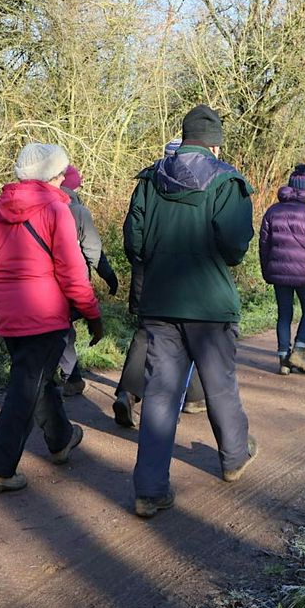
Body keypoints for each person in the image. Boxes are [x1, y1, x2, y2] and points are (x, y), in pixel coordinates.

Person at [124, 105, 258, 518]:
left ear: (183, 138)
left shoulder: (151, 179)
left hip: (160, 301)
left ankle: (149, 490)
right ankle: (234, 457)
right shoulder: (227, 181)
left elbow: (134, 243)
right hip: (210, 305)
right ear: (215, 144)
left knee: (160, 394)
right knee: (219, 385)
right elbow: (235, 248)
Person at [0, 143, 104, 493]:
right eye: (61, 174)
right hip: (44, 316)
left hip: (7, 316)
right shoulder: (57, 210)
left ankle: (61, 439)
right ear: (52, 176)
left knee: (35, 379)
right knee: (25, 388)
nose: (63, 181)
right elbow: (73, 274)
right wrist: (92, 314)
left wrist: (10, 282)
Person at [112, 139, 207, 428]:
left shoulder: (148, 182)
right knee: (192, 328)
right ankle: (193, 396)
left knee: (146, 331)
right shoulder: (200, 183)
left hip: (148, 269)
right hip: (185, 272)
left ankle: (127, 393)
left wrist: (140, 259)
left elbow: (133, 229)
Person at [258, 163, 305, 375]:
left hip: (279, 274)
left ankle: (283, 358)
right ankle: (299, 351)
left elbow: (264, 246)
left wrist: (267, 272)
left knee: (284, 314)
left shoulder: (273, 212)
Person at [56, 164, 119, 398]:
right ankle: (70, 377)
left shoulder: (38, 207)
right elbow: (93, 252)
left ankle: (68, 377)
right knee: (64, 328)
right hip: (71, 282)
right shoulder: (78, 211)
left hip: (38, 286)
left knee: (60, 329)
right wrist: (109, 276)